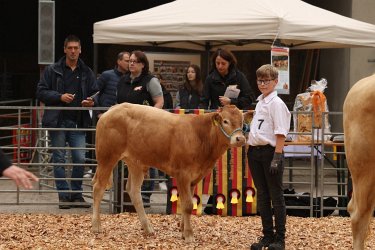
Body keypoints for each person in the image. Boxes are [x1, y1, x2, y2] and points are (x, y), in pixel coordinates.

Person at [36, 34, 98, 209]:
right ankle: (63, 195)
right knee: (59, 159)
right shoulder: (52, 69)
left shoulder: (86, 71)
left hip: (79, 121)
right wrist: (59, 97)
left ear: (80, 50)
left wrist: (91, 102)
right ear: (64, 49)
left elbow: (96, 92)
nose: (73, 51)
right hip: (58, 121)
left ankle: (77, 194)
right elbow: (40, 92)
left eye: (75, 48)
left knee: (79, 159)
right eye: (69, 48)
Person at [246, 64, 291, 250]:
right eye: (260, 80)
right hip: (255, 152)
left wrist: (277, 156)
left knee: (276, 195)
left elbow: (280, 132)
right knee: (263, 195)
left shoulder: (276, 103)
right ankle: (267, 235)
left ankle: (280, 238)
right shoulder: (260, 101)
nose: (262, 84)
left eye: (266, 81)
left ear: (275, 82)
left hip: (271, 152)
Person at [117, 50, 164, 203]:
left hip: (147, 128)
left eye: (135, 61)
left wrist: (149, 117)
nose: (131, 63)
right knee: (129, 160)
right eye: (129, 61)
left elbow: (159, 102)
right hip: (127, 129)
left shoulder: (150, 81)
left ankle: (145, 194)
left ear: (142, 65)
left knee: (149, 160)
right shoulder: (123, 80)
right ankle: (127, 194)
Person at [95, 51, 130, 119]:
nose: (129, 64)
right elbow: (95, 94)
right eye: (127, 61)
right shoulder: (106, 75)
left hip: (123, 117)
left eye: (130, 61)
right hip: (105, 115)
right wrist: (98, 113)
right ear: (119, 61)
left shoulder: (130, 78)